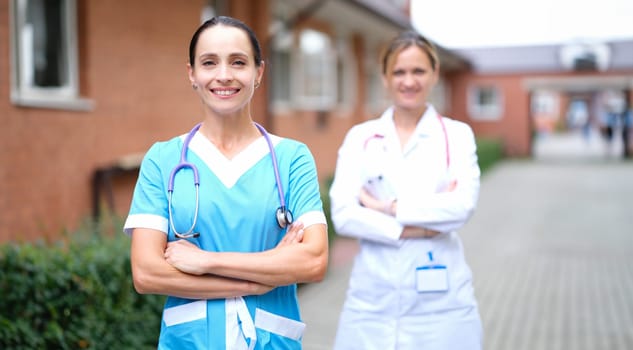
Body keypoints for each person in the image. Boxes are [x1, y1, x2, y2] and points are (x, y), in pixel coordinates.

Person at [123, 16, 328, 350]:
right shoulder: (163, 159)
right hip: (189, 342)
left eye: (238, 62)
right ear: (191, 73)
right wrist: (257, 282)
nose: (224, 75)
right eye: (209, 62)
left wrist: (207, 262)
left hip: (271, 340)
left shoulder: (291, 158)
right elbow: (147, 273)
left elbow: (313, 261)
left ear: (259, 72)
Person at [329, 30, 482, 350]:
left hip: (442, 309)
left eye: (418, 71)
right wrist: (416, 229)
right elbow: (343, 215)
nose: (408, 81)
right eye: (399, 71)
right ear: (385, 77)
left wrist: (388, 208)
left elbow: (461, 206)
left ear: (435, 74)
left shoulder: (456, 135)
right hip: (371, 303)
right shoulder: (362, 137)